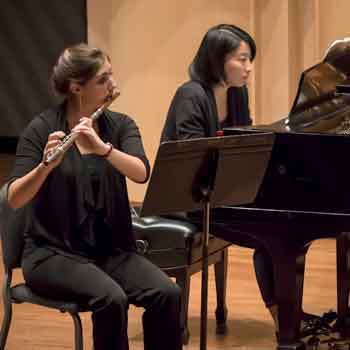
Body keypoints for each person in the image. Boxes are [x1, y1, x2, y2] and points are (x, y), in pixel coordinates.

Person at [7, 43, 182, 350]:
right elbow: (14, 199)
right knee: (111, 299)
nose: (113, 85)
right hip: (52, 253)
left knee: (167, 294)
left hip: (109, 250)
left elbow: (141, 171)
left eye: (111, 75)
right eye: (103, 79)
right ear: (77, 87)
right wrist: (45, 168)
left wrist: (104, 149)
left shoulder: (121, 126)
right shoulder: (42, 128)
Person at [160, 24, 279, 331]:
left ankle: (287, 317)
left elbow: (243, 146)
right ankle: (284, 321)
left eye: (250, 59)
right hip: (187, 199)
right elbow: (193, 161)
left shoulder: (237, 94)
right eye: (242, 59)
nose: (249, 67)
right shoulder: (191, 96)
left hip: (221, 194)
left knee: (280, 225)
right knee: (273, 236)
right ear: (217, 59)